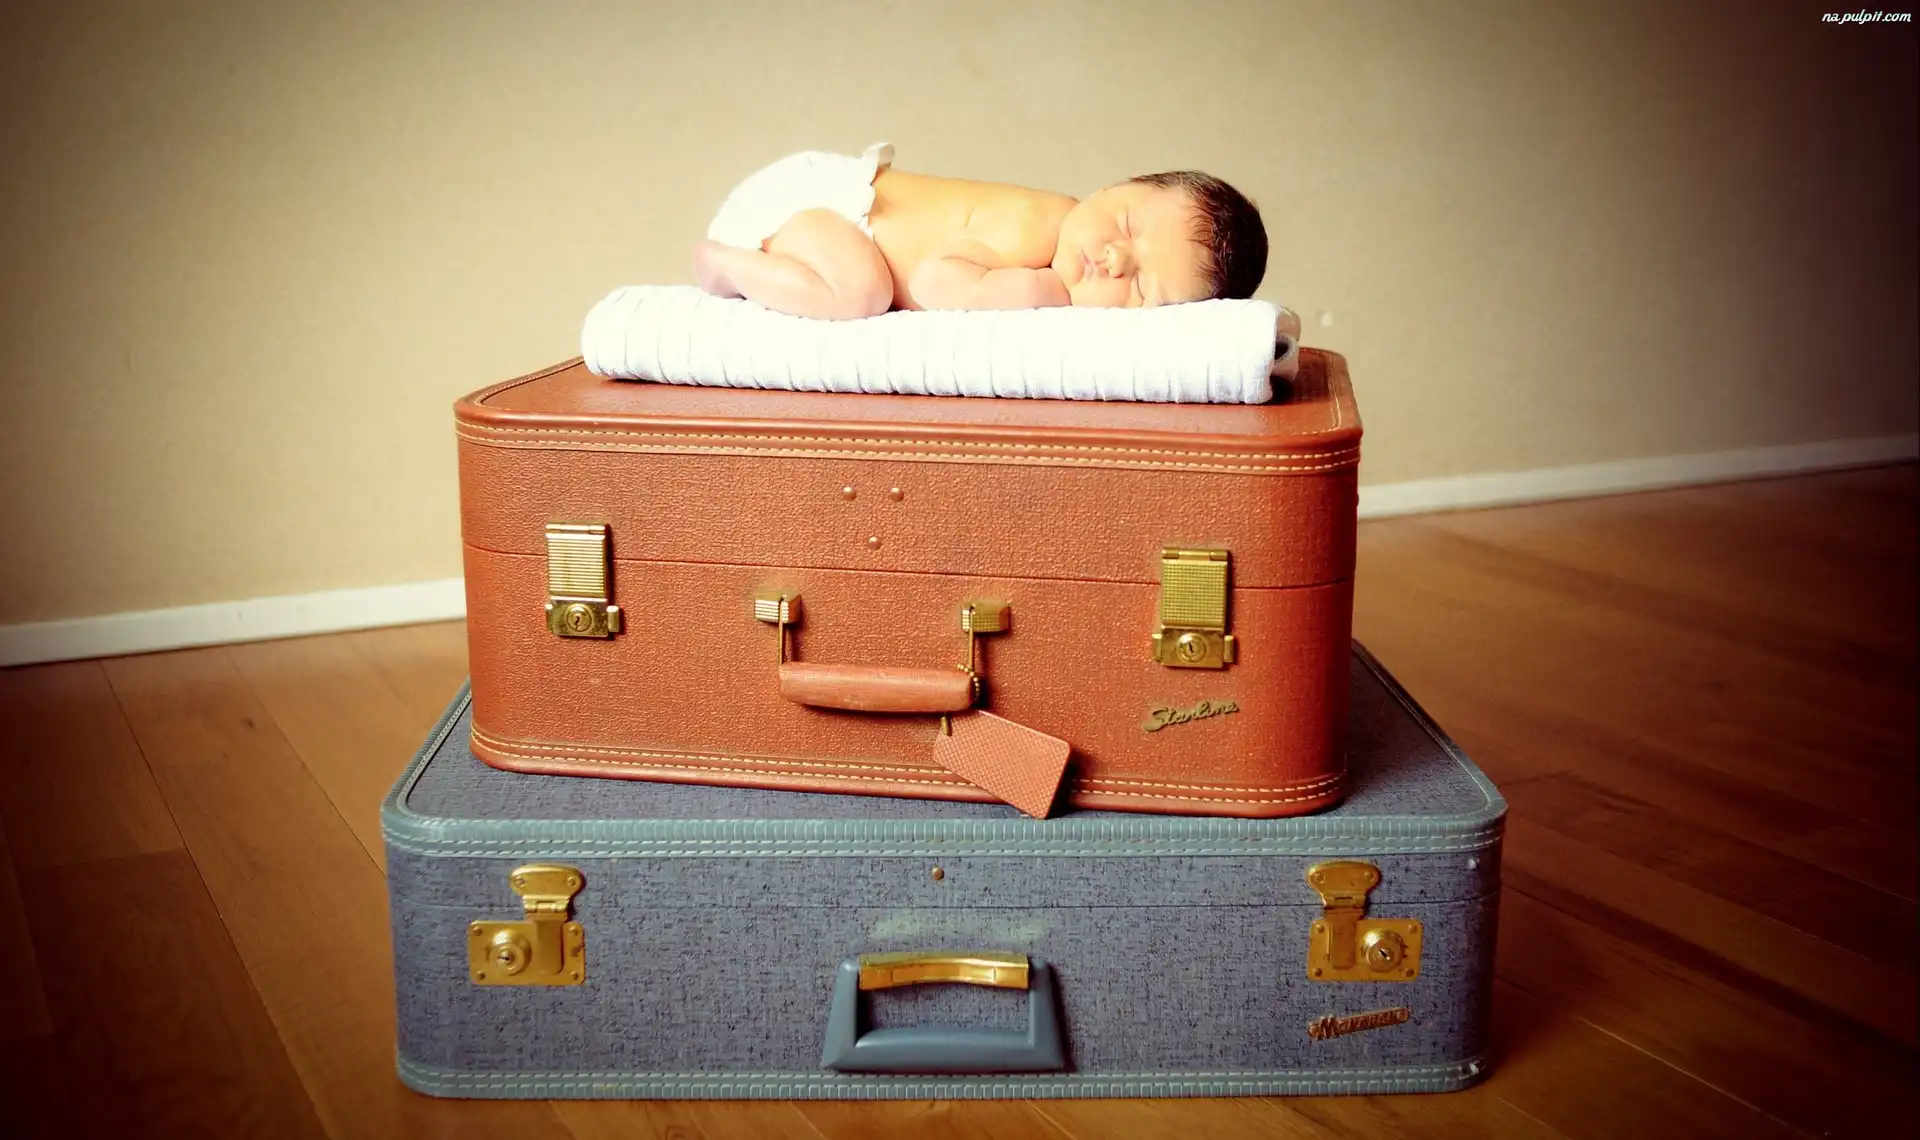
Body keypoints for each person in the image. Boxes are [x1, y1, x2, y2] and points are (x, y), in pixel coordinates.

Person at [692, 142, 1267, 320]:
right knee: (860, 292)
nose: (1116, 260)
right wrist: (1038, 289)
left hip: (832, 223)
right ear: (1108, 189)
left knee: (861, 286)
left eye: (1141, 287)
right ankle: (724, 263)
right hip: (823, 205)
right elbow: (935, 283)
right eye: (1127, 225)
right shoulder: (1041, 223)